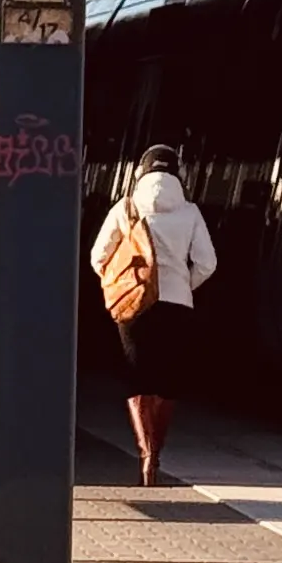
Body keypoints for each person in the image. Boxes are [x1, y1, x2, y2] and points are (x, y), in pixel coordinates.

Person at [92, 143, 216, 488]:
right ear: (178, 174)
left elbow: (98, 256)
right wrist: (182, 285)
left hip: (134, 304)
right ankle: (157, 452)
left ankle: (144, 454)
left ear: (141, 173)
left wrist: (119, 284)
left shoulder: (126, 207)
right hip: (177, 304)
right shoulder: (190, 212)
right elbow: (208, 262)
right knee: (167, 381)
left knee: (138, 380)